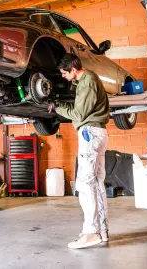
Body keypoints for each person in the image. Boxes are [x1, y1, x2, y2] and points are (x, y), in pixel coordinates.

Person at [52, 53, 110, 249]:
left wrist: (57, 108)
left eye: (64, 73)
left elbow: (78, 114)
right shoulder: (85, 81)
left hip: (90, 134)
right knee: (96, 184)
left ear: (74, 70)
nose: (62, 77)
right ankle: (101, 232)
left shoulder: (87, 82)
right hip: (97, 133)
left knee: (85, 184)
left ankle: (91, 232)